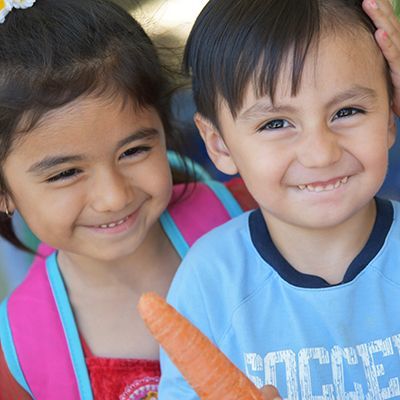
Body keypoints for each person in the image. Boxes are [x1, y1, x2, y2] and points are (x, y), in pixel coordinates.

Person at [0, 0, 259, 398]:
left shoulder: (254, 213)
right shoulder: (18, 348)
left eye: (134, 151)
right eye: (66, 173)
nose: (113, 196)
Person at [159, 0, 400, 398]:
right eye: (276, 123)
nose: (321, 153)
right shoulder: (211, 279)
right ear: (219, 144)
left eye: (347, 111)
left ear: (389, 119)